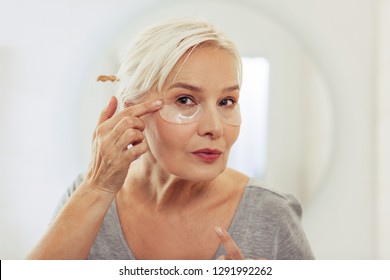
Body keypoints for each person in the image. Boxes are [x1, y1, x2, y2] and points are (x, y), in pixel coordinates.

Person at [27, 18, 314, 260]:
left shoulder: (272, 214)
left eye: (227, 101)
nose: (214, 128)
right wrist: (97, 187)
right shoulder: (88, 195)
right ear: (132, 109)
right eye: (185, 99)